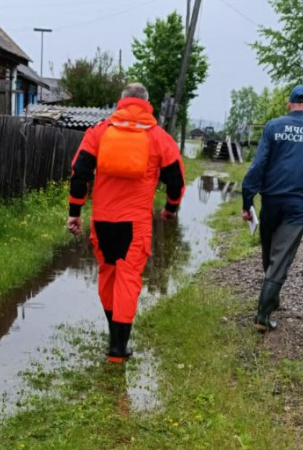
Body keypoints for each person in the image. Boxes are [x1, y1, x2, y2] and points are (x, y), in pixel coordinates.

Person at [67, 83, 186, 363]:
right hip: (135, 225)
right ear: (147, 103)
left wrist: (75, 212)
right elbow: (177, 180)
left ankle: (114, 337)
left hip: (102, 221)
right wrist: (170, 208)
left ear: (120, 102)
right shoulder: (158, 137)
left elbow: (79, 172)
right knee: (128, 281)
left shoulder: (98, 131)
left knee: (108, 275)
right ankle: (118, 349)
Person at [242, 85, 303, 332]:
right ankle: (262, 317)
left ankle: (271, 300)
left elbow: (258, 165)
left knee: (270, 253)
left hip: (271, 200)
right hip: (297, 205)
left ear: (289, 103)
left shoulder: (274, 126)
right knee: (281, 256)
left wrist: (247, 200)